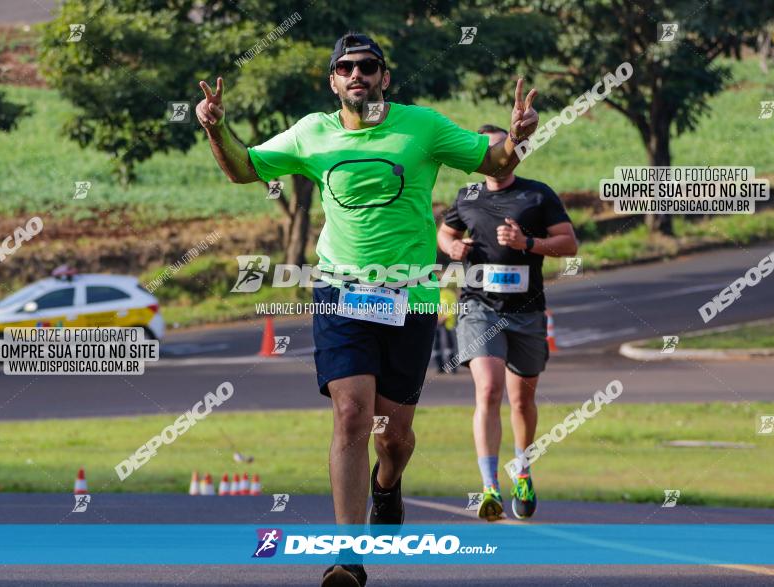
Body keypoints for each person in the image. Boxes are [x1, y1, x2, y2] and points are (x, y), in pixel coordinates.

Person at [197, 34, 538, 587]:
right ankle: (347, 556)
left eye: (368, 66)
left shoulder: (421, 127)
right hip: (340, 289)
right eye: (346, 68)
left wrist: (519, 138)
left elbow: (493, 157)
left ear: (384, 76)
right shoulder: (311, 133)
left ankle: (388, 484)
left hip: (412, 296)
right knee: (352, 413)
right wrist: (215, 127)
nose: (357, 74)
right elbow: (245, 168)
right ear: (333, 81)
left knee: (393, 436)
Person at [437, 124, 577, 522]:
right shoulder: (467, 196)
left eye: (503, 148)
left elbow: (569, 243)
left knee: (522, 399)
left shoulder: (537, 194)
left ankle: (524, 471)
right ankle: (489, 487)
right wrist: (454, 247)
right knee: (489, 390)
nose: (496, 156)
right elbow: (445, 234)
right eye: (487, 150)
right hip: (478, 307)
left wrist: (527, 244)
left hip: (527, 311)